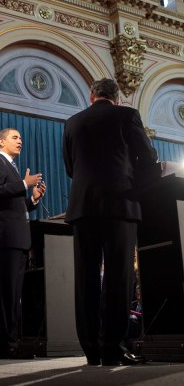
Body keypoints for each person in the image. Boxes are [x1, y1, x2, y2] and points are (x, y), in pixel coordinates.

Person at [62, 78, 160, 366]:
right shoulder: (126, 115)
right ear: (116, 98)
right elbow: (148, 156)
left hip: (83, 207)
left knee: (86, 278)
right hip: (120, 204)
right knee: (118, 278)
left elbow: (70, 168)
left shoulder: (72, 122)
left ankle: (91, 349)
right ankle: (112, 348)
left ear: (92, 95)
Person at [0, 128, 46, 359]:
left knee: (14, 294)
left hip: (18, 238)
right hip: (6, 238)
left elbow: (15, 206)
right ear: (1, 141)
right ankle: (3, 344)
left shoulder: (13, 167)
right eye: (14, 137)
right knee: (5, 294)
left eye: (21, 137)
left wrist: (32, 199)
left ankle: (9, 341)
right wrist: (23, 184)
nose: (20, 140)